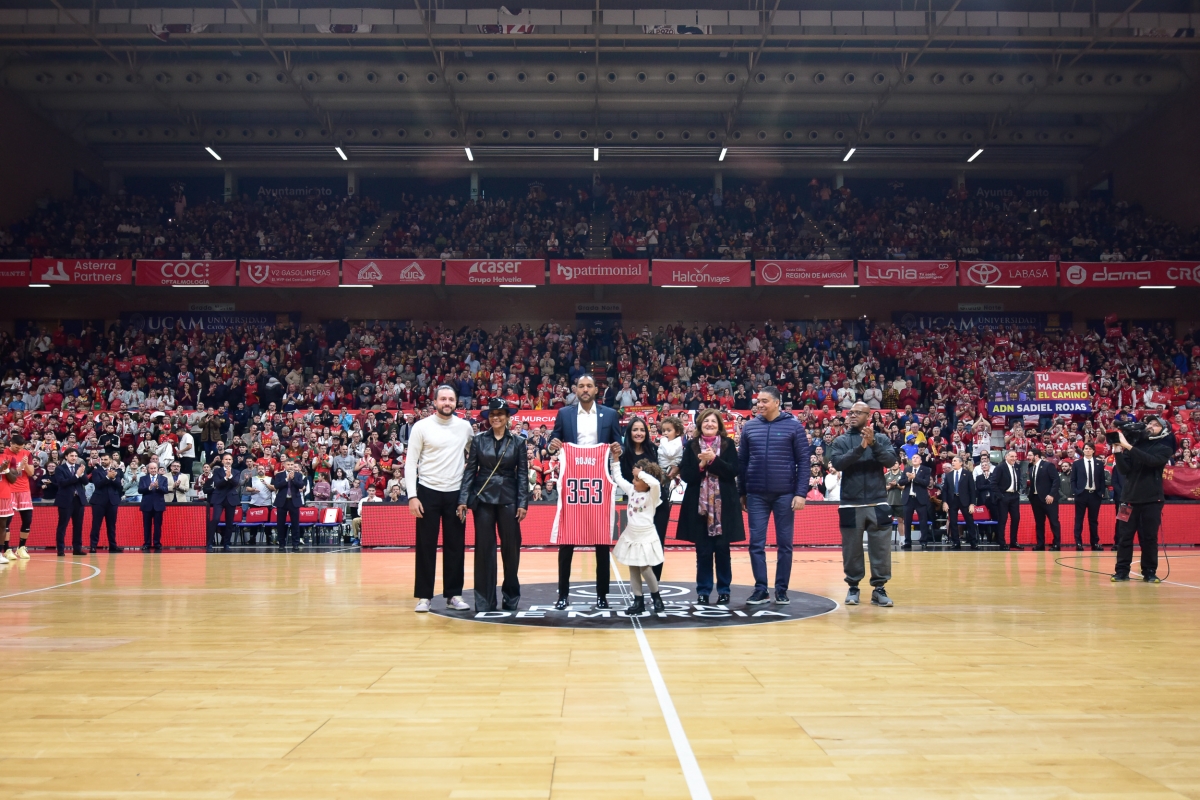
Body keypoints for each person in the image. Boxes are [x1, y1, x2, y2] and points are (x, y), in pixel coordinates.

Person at [548, 374, 623, 611]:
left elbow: (618, 442)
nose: (585, 389)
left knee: (602, 542)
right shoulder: (565, 414)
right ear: (575, 390)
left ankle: (602, 595)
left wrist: (617, 448)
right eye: (581, 386)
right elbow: (554, 438)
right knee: (567, 542)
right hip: (574, 484)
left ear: (596, 389)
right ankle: (563, 595)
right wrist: (552, 444)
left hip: (599, 484)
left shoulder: (610, 414)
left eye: (589, 386)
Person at [737, 385, 811, 605]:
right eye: (758, 401)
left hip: (785, 495)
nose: (759, 404)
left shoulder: (794, 427)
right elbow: (742, 463)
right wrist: (742, 492)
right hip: (756, 494)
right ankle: (761, 589)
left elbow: (804, 462)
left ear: (777, 402)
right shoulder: (749, 427)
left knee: (784, 544)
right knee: (756, 544)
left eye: (764, 401)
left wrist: (800, 493)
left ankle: (781, 589)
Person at [405, 385, 473, 613]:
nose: (447, 402)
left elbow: (474, 457)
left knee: (456, 546)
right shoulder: (421, 427)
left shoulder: (465, 428)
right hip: (427, 491)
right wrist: (412, 496)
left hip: (456, 493)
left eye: (451, 399)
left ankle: (453, 595)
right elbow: (410, 462)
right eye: (443, 399)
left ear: (456, 403)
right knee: (426, 546)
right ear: (434, 402)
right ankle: (424, 596)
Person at [457, 398, 528, 613]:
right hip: (483, 500)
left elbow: (523, 475)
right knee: (484, 551)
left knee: (511, 550)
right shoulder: (478, 441)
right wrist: (462, 499)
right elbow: (470, 471)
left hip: (509, 500)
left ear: (508, 417)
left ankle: (511, 598)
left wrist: (523, 502)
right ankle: (485, 601)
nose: (496, 417)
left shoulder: (518, 442)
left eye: (500, 413)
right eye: (492, 414)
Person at [829, 402, 898, 608]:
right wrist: (861, 447)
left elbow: (890, 461)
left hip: (878, 501)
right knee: (851, 550)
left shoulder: (882, 438)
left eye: (858, 413)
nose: (852, 416)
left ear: (869, 416)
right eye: (851, 413)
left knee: (881, 549)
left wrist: (874, 444)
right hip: (851, 503)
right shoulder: (840, 440)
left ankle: (879, 589)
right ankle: (853, 587)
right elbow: (839, 463)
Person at [676, 408, 743, 605]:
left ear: (719, 425)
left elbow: (733, 471)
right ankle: (703, 591)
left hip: (724, 507)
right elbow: (687, 476)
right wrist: (700, 466)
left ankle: (724, 590)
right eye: (706, 422)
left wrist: (713, 461)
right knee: (703, 551)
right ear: (700, 425)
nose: (709, 425)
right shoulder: (691, 446)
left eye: (713, 422)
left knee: (723, 550)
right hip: (699, 507)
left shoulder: (728, 444)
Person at [1112, 416, 1173, 582]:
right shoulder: (1134, 446)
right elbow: (1124, 470)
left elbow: (1152, 461)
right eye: (1150, 423)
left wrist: (1127, 446)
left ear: (1164, 431)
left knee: (1149, 538)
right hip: (1128, 499)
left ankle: (1150, 571)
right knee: (1124, 537)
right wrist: (1118, 452)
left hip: (1152, 501)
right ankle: (1121, 571)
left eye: (1156, 425)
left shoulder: (1164, 448)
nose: (1151, 426)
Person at [610, 453, 665, 616]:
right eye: (634, 479)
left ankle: (656, 597)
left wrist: (640, 473)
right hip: (631, 535)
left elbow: (655, 483)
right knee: (633, 568)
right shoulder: (632, 491)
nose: (634, 481)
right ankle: (638, 600)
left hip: (646, 536)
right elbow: (618, 478)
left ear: (646, 481)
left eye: (637, 479)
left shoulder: (652, 495)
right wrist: (615, 460)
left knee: (646, 568)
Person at [654, 416, 685, 580]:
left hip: (668, 470)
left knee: (663, 491)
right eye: (663, 430)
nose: (665, 433)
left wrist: (662, 443)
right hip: (661, 469)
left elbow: (671, 453)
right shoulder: (667, 441)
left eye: (669, 430)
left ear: (677, 431)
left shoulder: (676, 442)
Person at [1071, 443, 1107, 551]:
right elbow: (1073, 480)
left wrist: (1101, 492)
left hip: (1095, 495)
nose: (1087, 450)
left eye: (1089, 449)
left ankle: (1094, 543)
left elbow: (1102, 480)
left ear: (1093, 451)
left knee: (1093, 520)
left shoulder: (1099, 463)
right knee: (1079, 519)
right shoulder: (1077, 464)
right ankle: (1078, 543)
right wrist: (1076, 491)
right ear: (1083, 450)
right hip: (1081, 494)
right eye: (1085, 448)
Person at [53, 448, 89, 557]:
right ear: (66, 457)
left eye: (75, 456)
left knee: (78, 526)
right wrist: (77, 476)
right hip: (65, 500)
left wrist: (81, 474)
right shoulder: (60, 469)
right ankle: (60, 549)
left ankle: (77, 549)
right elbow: (62, 483)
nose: (74, 458)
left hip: (78, 500)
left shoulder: (80, 467)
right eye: (71, 456)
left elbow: (86, 482)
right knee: (62, 525)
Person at [4, 435, 35, 558]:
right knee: (7, 521)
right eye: (16, 447)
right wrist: (17, 468)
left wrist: (24, 465)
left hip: (24, 490)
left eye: (20, 448)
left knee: (27, 520)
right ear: (10, 444)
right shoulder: (4, 453)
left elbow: (31, 473)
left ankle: (21, 547)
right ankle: (7, 549)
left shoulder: (26, 453)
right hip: (9, 490)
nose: (18, 450)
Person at [88, 453, 124, 553]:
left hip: (112, 501)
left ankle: (113, 546)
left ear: (111, 460)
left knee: (112, 525)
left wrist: (112, 478)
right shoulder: (96, 471)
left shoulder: (117, 471)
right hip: (98, 502)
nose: (103, 461)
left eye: (105, 459)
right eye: (102, 459)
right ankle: (93, 546)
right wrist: (108, 477)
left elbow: (119, 485)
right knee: (96, 525)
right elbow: (98, 485)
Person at [941, 455, 979, 550]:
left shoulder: (968, 474)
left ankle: (973, 542)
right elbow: (945, 490)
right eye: (952, 461)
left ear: (961, 463)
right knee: (953, 522)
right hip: (952, 500)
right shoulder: (949, 475)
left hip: (965, 501)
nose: (953, 462)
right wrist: (944, 502)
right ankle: (955, 542)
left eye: (955, 461)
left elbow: (972, 490)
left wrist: (972, 504)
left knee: (970, 522)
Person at [1027, 448, 1061, 550]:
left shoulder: (1048, 465)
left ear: (1036, 456)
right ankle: (1040, 544)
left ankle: (1056, 544)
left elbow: (1056, 480)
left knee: (1054, 522)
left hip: (1048, 499)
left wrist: (1051, 494)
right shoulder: (1031, 468)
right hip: (1036, 499)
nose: (1028, 457)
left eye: (1030, 455)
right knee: (1039, 523)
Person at [208, 452, 240, 553]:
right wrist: (226, 478)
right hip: (219, 498)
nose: (228, 461)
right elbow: (217, 484)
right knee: (215, 519)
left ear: (232, 461)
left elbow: (236, 483)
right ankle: (209, 543)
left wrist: (230, 476)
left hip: (231, 498)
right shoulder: (217, 471)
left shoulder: (236, 472)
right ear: (222, 461)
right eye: (226, 459)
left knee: (229, 522)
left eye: (229, 459)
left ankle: (226, 544)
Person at [272, 459, 306, 552]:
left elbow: (301, 485)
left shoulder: (298, 475)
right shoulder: (279, 475)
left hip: (294, 501)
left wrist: (293, 479)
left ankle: (295, 544)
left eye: (292, 464)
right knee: (280, 524)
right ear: (284, 465)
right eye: (288, 464)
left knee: (295, 524)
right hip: (282, 501)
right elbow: (276, 486)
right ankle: (281, 544)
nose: (290, 466)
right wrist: (287, 479)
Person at [993, 449, 1023, 550]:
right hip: (1003, 496)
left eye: (1015, 457)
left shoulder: (1017, 467)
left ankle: (1013, 542)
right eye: (1012, 456)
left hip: (1014, 496)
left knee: (1016, 519)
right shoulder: (1000, 467)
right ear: (1006, 457)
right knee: (1003, 520)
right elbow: (993, 483)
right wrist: (1001, 496)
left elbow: (1019, 481)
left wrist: (1018, 491)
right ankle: (1002, 543)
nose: (1014, 459)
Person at [138, 462, 168, 551]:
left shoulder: (163, 479)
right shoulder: (143, 479)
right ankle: (147, 543)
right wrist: (149, 487)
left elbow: (166, 490)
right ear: (148, 469)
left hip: (158, 506)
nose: (153, 470)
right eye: (151, 468)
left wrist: (158, 487)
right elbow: (140, 490)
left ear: (157, 469)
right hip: (147, 505)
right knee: (146, 526)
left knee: (158, 526)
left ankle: (157, 543)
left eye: (155, 468)